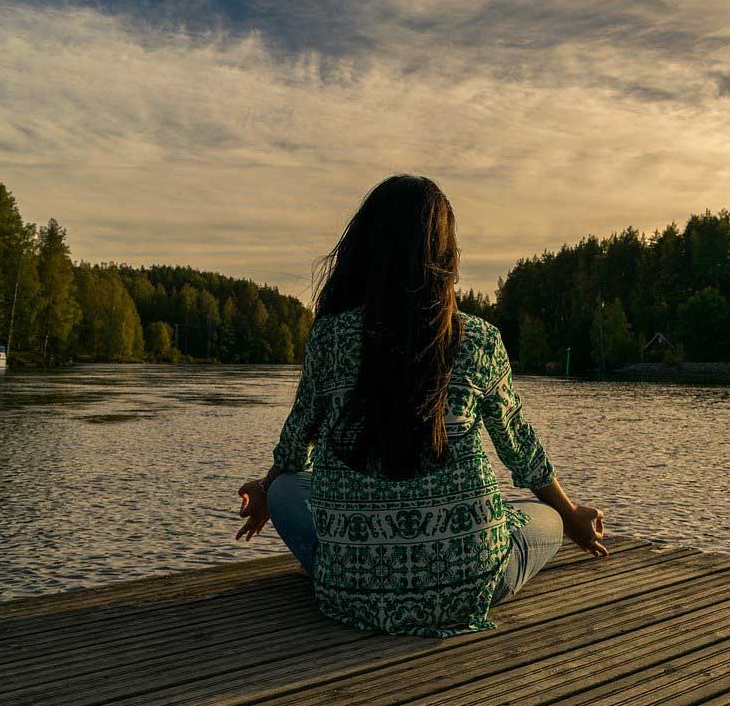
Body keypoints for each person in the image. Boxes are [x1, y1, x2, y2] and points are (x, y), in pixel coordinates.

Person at [235, 174, 607, 637]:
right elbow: (521, 452)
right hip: (468, 585)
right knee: (546, 517)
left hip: (350, 593)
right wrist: (572, 516)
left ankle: (357, 563)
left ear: (366, 249)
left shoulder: (329, 337)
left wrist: (268, 489)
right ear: (445, 257)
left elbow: (295, 444)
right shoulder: (480, 339)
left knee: (289, 488)